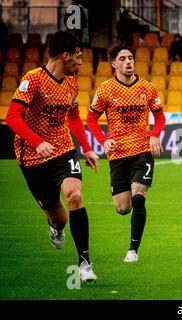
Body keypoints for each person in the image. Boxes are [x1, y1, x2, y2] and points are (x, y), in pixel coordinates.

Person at [5, 30, 98, 283]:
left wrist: (86, 147)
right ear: (66, 56)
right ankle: (56, 228)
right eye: (78, 57)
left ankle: (85, 264)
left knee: (75, 196)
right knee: (59, 218)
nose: (81, 63)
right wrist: (37, 142)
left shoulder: (71, 82)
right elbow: (12, 117)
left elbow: (73, 117)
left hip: (63, 150)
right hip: (32, 158)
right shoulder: (33, 79)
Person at [86, 43, 166, 263]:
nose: (128, 62)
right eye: (122, 59)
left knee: (139, 199)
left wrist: (154, 135)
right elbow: (91, 119)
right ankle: (127, 209)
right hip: (118, 154)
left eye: (130, 58)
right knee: (123, 208)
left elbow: (160, 117)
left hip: (142, 151)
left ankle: (133, 250)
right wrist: (104, 140)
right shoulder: (105, 90)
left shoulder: (148, 88)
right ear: (113, 63)